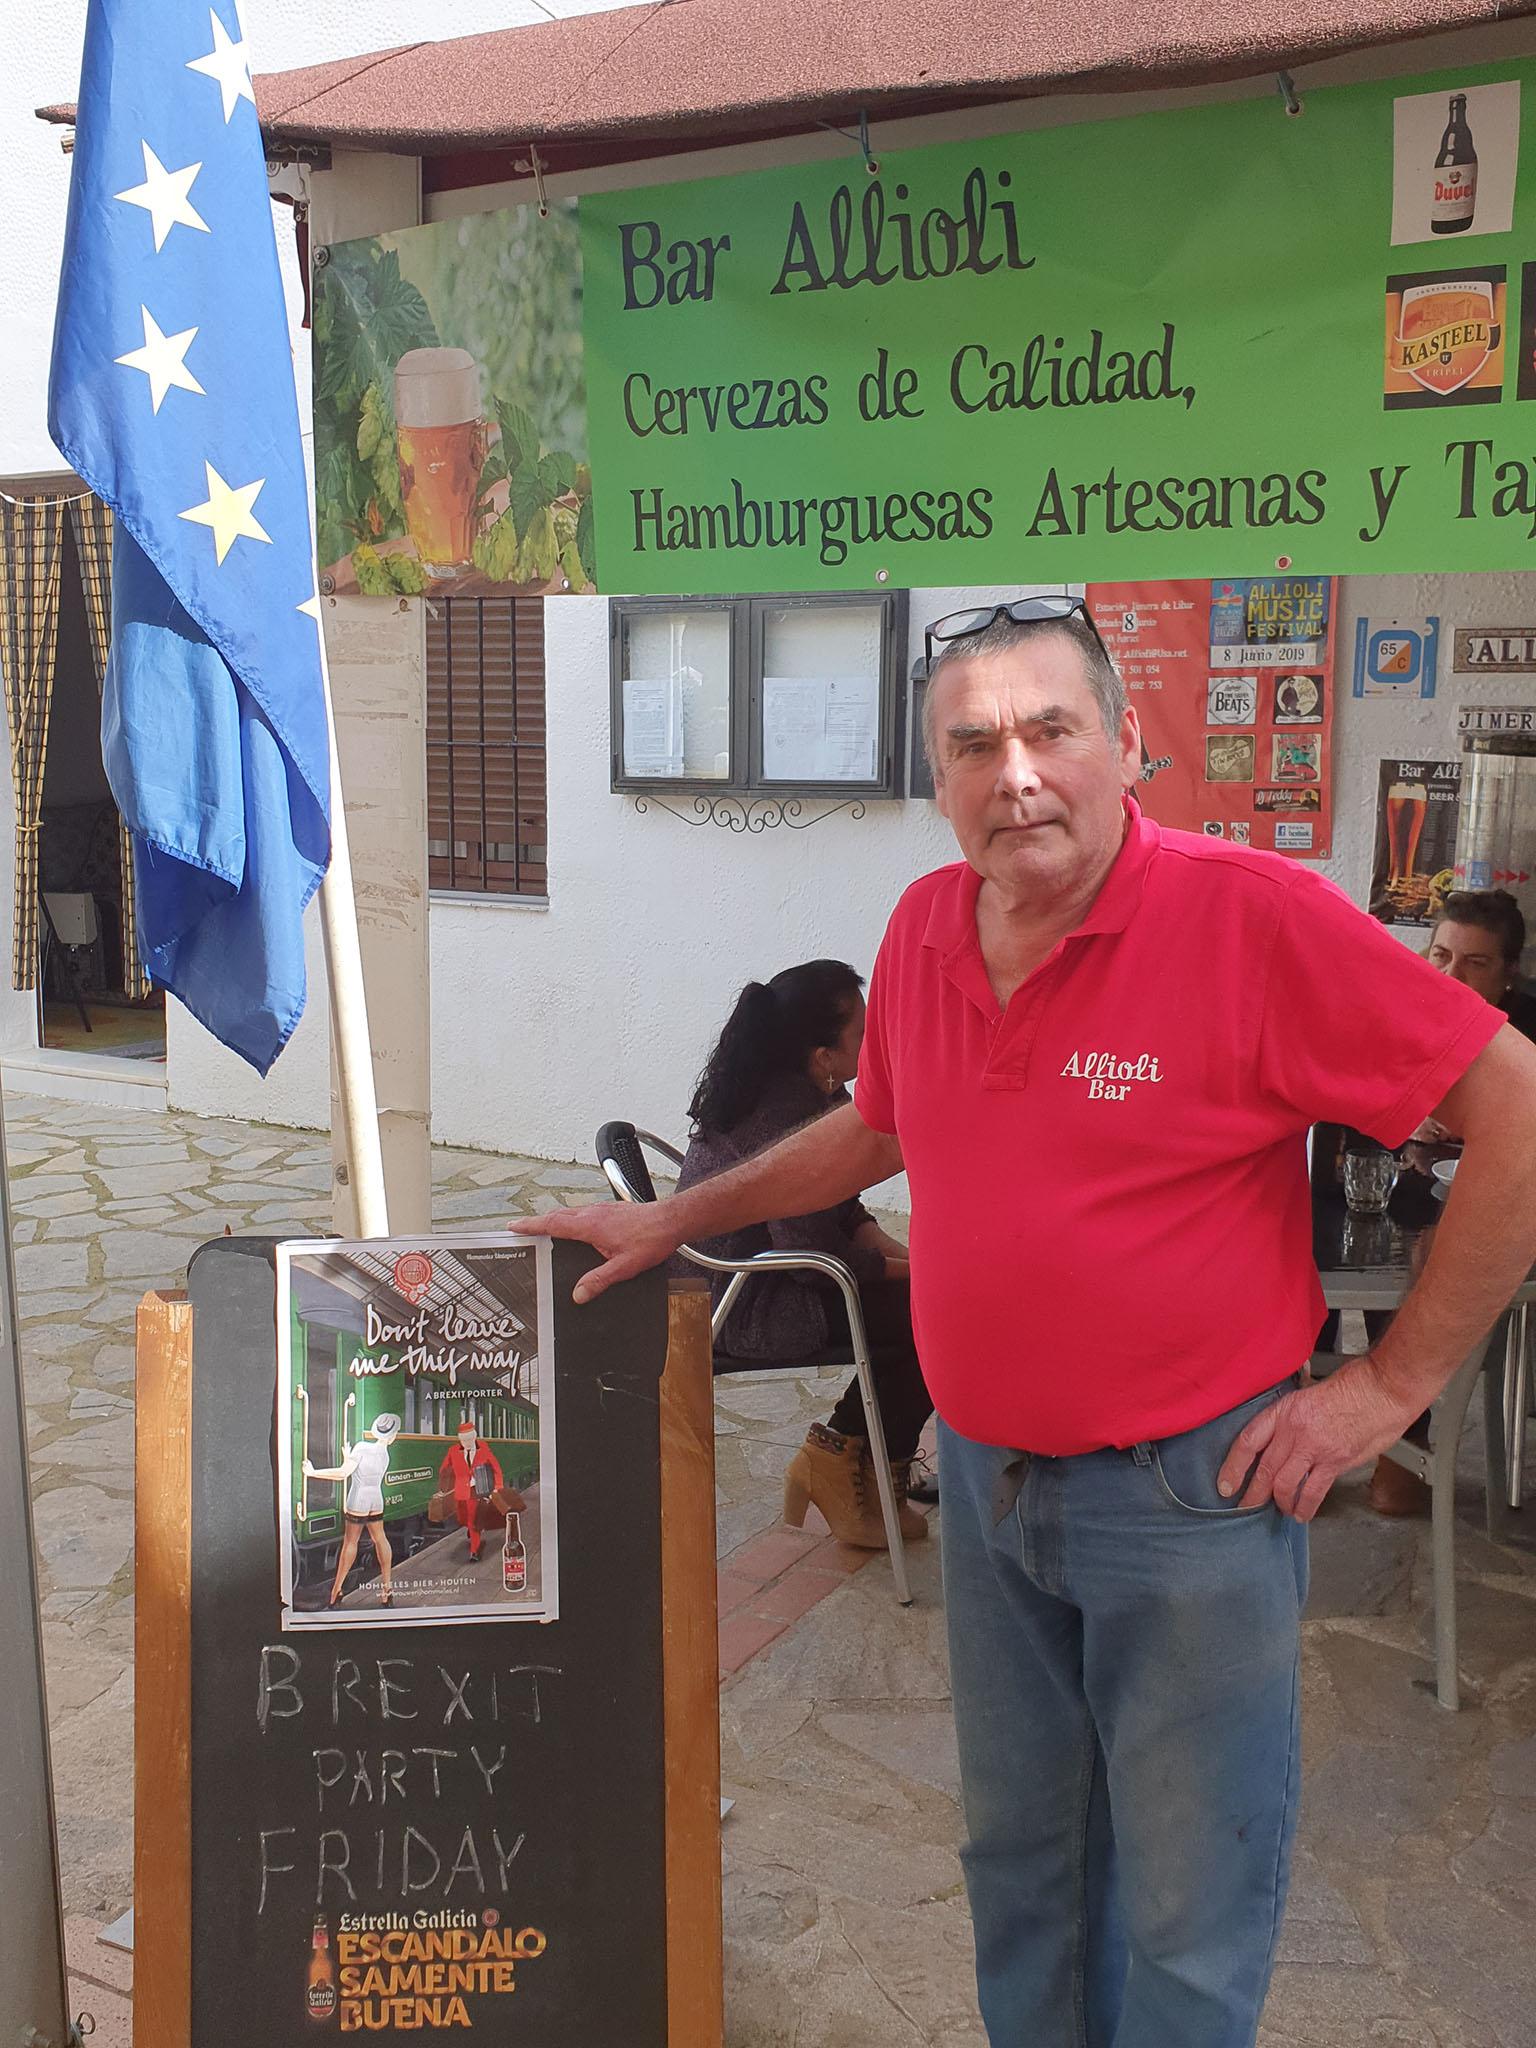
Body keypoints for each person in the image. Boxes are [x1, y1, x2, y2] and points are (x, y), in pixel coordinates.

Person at [515, 594, 1536, 2048]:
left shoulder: (1252, 918)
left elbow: (1517, 1113)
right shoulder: (929, 923)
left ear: (1127, 746)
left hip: (1190, 1500)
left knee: (1189, 1909)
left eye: (1052, 730)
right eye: (974, 745)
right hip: (989, 1489)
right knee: (1023, 1876)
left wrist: (1391, 1384)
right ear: (939, 780)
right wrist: (677, 1216)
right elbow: (879, 1125)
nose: (1018, 775)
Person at [676, 959, 931, 1549]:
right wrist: (914, 1276)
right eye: (863, 1036)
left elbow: (844, 1212)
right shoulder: (788, 1118)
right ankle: (853, 1470)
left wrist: (908, 1261)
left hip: (765, 1279)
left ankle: (847, 1462)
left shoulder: (797, 1092)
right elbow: (814, 1256)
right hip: (746, 1301)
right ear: (823, 1056)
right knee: (936, 1320)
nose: (875, 1047)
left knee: (924, 1299)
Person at [1361, 888, 1536, 1515]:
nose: (1451, 974)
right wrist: (1406, 1118)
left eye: (1475, 963)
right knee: (1362, 1250)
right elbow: (1350, 1101)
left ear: (1508, 974)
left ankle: (1409, 1428)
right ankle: (1387, 1436)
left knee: (1445, 1268)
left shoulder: (1529, 1029)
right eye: (1440, 955)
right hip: (1414, 1185)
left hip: (1505, 1199)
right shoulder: (1399, 1008)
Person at [303, 1412, 400, 1608]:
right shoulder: (384, 1454)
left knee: (350, 1542)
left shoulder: (362, 1447)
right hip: (376, 1499)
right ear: (392, 1436)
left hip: (359, 1499)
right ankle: (387, 1592)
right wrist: (349, 1457)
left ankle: (336, 1591)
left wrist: (313, 1473)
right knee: (380, 1539)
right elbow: (364, 1468)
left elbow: (344, 1473)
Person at [437, 1418, 505, 1562]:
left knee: (473, 1521)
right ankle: (471, 1528)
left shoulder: (484, 1450)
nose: (467, 1444)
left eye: (469, 1441)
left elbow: (496, 1469)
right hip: (461, 1491)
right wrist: (443, 1488)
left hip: (477, 1491)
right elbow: (444, 1470)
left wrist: (497, 1487)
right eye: (464, 1441)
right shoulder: (453, 1451)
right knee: (462, 1518)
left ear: (474, 1438)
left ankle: (474, 1551)